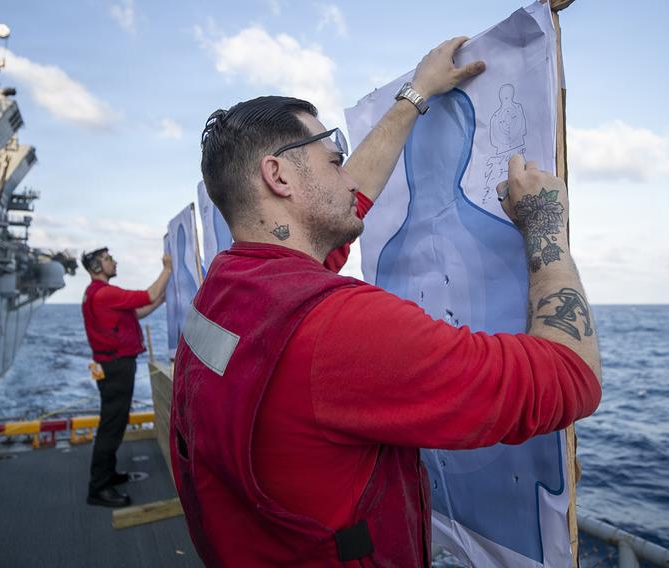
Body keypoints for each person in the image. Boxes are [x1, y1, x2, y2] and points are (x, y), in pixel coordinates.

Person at [170, 37, 602, 566]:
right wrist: (543, 224)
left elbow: (342, 207)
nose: (348, 178)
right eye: (334, 161)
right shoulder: (338, 328)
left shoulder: (229, 291)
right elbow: (569, 377)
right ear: (277, 175)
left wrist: (415, 95)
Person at [81, 247, 171, 507]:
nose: (114, 261)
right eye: (109, 259)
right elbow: (149, 294)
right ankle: (98, 489)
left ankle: (107, 475)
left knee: (113, 422)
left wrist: (162, 300)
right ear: (98, 267)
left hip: (108, 365)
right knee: (112, 426)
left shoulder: (95, 295)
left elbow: (140, 311)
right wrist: (167, 268)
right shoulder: (106, 293)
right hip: (116, 367)